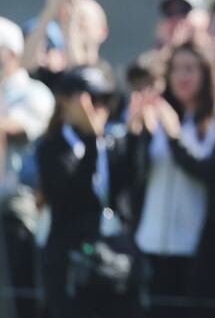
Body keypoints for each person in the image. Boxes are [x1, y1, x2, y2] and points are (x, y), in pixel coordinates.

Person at [36, 66, 142, 318]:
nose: (99, 108)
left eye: (106, 100)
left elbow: (130, 185)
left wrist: (136, 138)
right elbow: (75, 192)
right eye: (92, 99)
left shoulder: (113, 142)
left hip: (110, 256)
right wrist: (92, 139)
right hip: (70, 258)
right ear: (64, 102)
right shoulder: (51, 147)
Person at [127, 43, 215, 318]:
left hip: (192, 249)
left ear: (205, 74)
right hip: (149, 243)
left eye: (190, 69)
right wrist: (137, 135)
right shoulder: (158, 116)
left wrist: (175, 138)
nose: (182, 76)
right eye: (177, 69)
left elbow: (208, 172)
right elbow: (135, 176)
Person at [0, 17, 55, 317]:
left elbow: (12, 128)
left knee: (20, 300)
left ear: (9, 53)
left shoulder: (34, 93)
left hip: (17, 207)